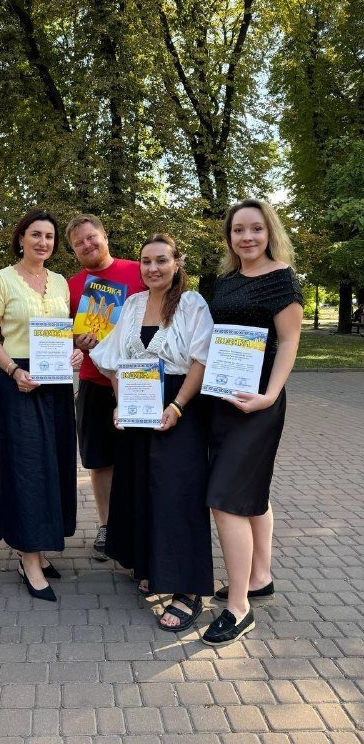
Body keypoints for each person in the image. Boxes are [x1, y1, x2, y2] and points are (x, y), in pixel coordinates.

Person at [90, 234, 214, 631]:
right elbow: (114, 360)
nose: (153, 268)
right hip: (137, 406)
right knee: (140, 486)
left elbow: (201, 360)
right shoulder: (132, 304)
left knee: (178, 492)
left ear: (177, 263)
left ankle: (188, 589)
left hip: (180, 405)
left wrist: (177, 406)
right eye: (146, 261)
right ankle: (150, 567)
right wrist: (120, 404)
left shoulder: (192, 303)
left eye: (161, 260)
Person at [202, 199, 303, 647]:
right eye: (239, 230)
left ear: (269, 232)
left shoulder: (281, 278)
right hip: (222, 401)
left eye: (256, 229)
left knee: (225, 500)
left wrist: (270, 395)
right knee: (253, 492)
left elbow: (289, 340)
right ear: (229, 237)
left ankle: (239, 608)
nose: (247, 237)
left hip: (259, 402)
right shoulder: (225, 281)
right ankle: (260, 576)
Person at [0, 209, 83, 602]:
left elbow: (64, 332)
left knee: (54, 464)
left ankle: (39, 547)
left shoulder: (60, 282)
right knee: (26, 467)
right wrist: (11, 370)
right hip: (20, 380)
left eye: (49, 236)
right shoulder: (1, 279)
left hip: (55, 383)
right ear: (21, 238)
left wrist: (74, 352)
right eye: (36, 234)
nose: (43, 242)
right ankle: (28, 557)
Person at [66, 214, 144, 560]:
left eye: (91, 237)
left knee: (138, 457)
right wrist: (75, 341)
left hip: (139, 382)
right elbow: (62, 334)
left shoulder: (138, 271)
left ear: (105, 236)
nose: (87, 245)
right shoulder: (72, 286)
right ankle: (107, 526)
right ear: (73, 250)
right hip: (93, 382)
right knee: (99, 461)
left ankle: (137, 526)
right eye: (79, 243)